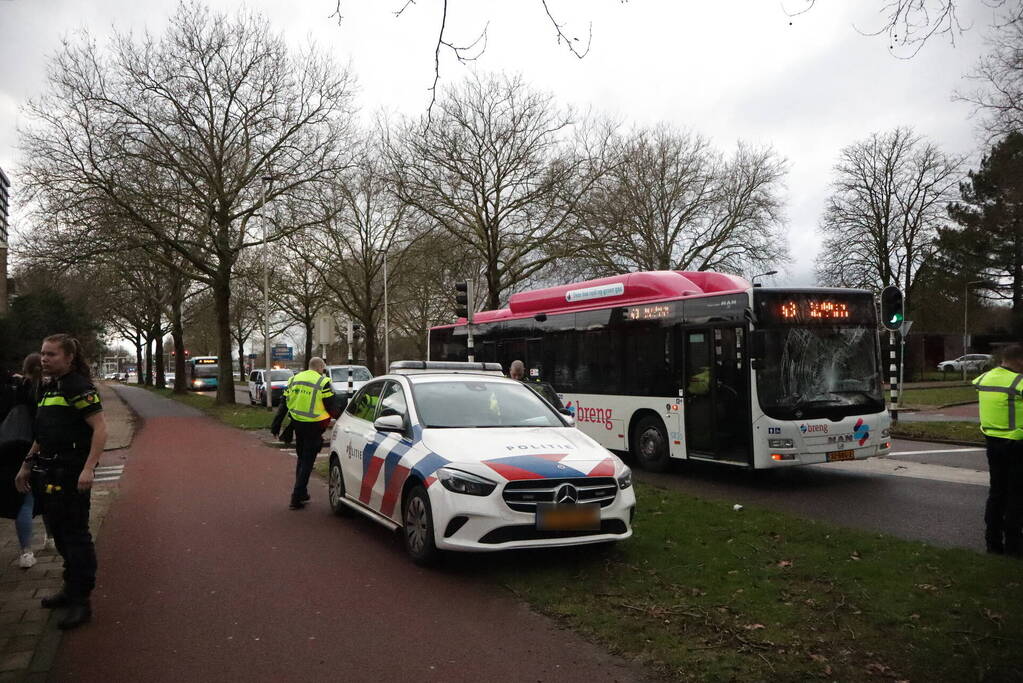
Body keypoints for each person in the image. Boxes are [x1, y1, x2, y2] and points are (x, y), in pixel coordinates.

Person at [15, 334, 108, 629]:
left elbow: (100, 429)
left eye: (52, 354)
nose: (44, 359)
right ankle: (70, 589)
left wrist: (89, 468)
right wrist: (26, 465)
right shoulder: (48, 387)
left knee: (77, 536)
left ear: (69, 357)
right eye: (43, 353)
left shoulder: (78, 387)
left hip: (71, 473)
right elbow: (43, 434)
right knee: (61, 535)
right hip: (49, 472)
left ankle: (82, 600)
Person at [972, 344, 1023, 557]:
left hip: (992, 442)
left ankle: (992, 542)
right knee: (1016, 496)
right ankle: (1014, 547)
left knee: (996, 493)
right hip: (1017, 444)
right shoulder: (1018, 382)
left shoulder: (985, 379)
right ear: (1020, 361)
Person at [1, 354, 47, 569]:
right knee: (47, 493)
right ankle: (52, 538)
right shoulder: (47, 389)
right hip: (43, 448)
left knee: (25, 498)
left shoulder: (15, 389)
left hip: (15, 448)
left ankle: (26, 551)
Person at [278, 357, 341, 510]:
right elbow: (330, 405)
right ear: (319, 367)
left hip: (298, 424)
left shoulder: (294, 379)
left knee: (301, 458)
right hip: (314, 426)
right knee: (307, 461)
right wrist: (340, 417)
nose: (323, 371)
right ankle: (296, 496)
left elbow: (285, 402)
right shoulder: (323, 382)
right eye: (323, 368)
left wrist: (277, 423)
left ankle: (302, 493)